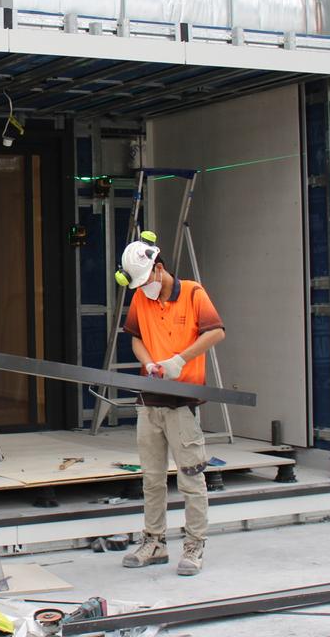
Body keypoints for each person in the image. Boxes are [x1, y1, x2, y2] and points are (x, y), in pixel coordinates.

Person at [117, 238, 225, 577]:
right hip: (149, 401)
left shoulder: (193, 293)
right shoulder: (139, 297)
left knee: (191, 477)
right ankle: (154, 542)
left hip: (182, 404)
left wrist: (181, 360)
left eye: (147, 280)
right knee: (151, 478)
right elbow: (135, 337)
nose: (145, 288)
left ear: (159, 268)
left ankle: (194, 545)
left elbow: (216, 332)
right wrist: (149, 363)